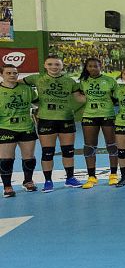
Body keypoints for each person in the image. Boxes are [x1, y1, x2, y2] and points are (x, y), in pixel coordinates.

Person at [23, 55, 85, 191]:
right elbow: (16, 83)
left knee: (68, 151)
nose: (53, 67)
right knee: (47, 152)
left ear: (62, 66)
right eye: (50, 64)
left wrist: (99, 96)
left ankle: (70, 178)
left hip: (66, 119)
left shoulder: (70, 81)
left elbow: (79, 99)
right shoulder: (36, 78)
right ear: (45, 66)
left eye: (57, 64)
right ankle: (48, 181)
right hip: (46, 119)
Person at [78, 57, 118, 188]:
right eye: (90, 66)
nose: (93, 68)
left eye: (96, 66)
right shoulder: (83, 81)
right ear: (87, 68)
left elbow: (118, 98)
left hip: (107, 115)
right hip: (90, 115)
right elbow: (79, 96)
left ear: (101, 67)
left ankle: (113, 174)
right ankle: (91, 177)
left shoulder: (110, 81)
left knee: (111, 145)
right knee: (89, 146)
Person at [0, 64, 38, 197]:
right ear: (2, 75)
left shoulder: (26, 88)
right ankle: (7, 186)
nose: (12, 75)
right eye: (8, 73)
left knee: (29, 158)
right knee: (6, 159)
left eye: (14, 73)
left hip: (27, 127)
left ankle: (28, 181)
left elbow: (37, 102)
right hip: (5, 128)